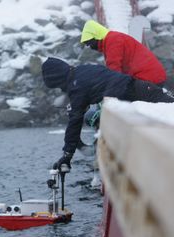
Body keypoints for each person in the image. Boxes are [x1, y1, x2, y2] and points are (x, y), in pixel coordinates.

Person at [41, 57, 174, 170]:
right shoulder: (83, 69)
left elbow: (74, 122)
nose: (61, 89)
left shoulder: (76, 87)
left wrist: (67, 155)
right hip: (139, 86)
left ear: (58, 79)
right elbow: (100, 82)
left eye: (57, 85)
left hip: (134, 94)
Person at [81, 20, 166, 86]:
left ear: (96, 36)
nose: (89, 46)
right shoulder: (112, 39)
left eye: (89, 42)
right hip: (152, 76)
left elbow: (114, 69)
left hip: (148, 78)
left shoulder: (112, 40)